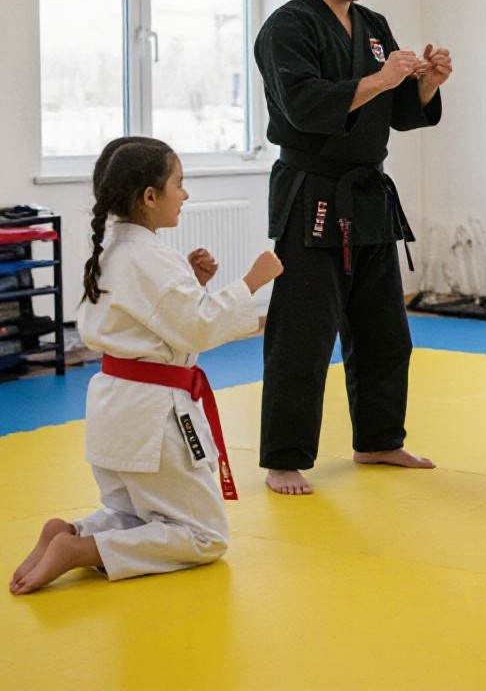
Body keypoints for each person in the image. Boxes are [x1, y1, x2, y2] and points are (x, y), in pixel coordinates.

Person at [9, 136, 282, 595]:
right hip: (155, 419)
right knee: (205, 537)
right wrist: (252, 282)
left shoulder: (112, 250)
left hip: (114, 410)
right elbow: (197, 329)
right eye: (179, 184)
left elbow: (150, 323)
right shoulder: (150, 258)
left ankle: (73, 533)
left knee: (136, 515)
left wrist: (192, 282)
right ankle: (80, 549)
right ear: (150, 197)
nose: (185, 194)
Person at [254, 0, 451, 495]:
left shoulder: (372, 24)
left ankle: (379, 440)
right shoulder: (287, 28)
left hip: (367, 195)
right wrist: (383, 79)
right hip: (312, 193)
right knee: (303, 334)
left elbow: (399, 113)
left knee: (384, 330)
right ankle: (284, 458)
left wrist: (426, 83)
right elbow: (304, 106)